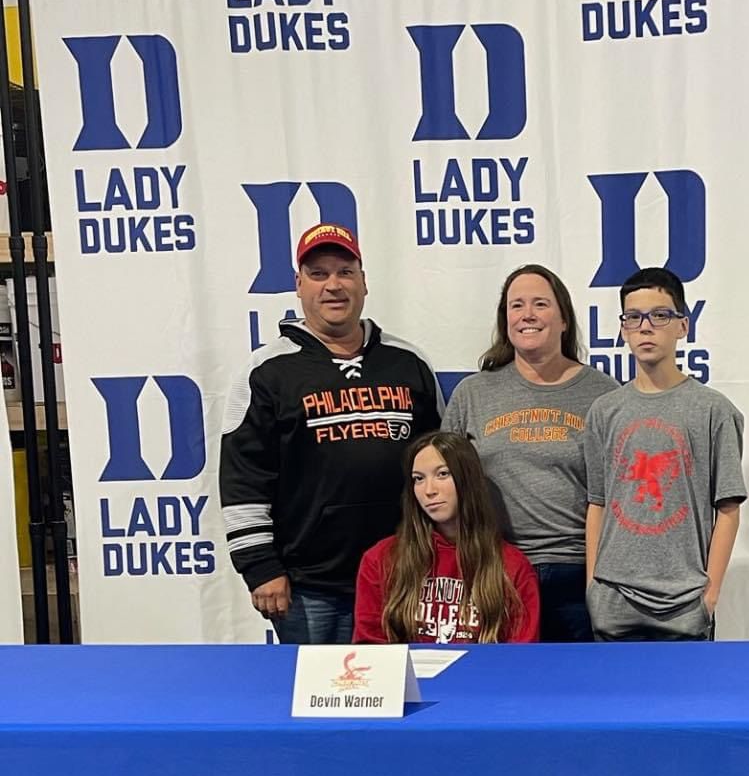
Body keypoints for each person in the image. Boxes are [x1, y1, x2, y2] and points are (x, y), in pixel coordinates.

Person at [220, 222, 443, 643]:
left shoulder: (409, 363)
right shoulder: (267, 371)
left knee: (406, 701)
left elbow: (444, 467)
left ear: (363, 282)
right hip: (308, 588)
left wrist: (446, 555)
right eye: (318, 274)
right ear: (298, 285)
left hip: (405, 577)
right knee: (320, 703)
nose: (333, 285)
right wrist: (261, 567)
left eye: (345, 272)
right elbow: (243, 480)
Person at [442, 264, 618, 640]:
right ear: (505, 320)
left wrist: (600, 582)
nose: (528, 315)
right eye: (516, 305)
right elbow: (444, 486)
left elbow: (620, 495)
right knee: (503, 695)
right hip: (495, 572)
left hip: (580, 573)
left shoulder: (604, 395)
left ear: (565, 318)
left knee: (581, 693)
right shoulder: (473, 394)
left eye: (541, 303)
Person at [584, 267, 745, 641]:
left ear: (683, 326)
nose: (645, 327)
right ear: (623, 329)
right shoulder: (604, 411)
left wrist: (710, 594)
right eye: (633, 317)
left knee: (687, 701)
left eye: (660, 315)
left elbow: (729, 509)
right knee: (616, 700)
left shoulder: (713, 410)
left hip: (685, 603)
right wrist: (594, 584)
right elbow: (598, 503)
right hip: (613, 601)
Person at [353, 431, 539, 644]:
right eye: (418, 479)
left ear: (467, 480)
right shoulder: (381, 559)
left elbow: (520, 657)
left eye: (442, 474)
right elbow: (369, 650)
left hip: (481, 677)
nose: (429, 490)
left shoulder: (512, 566)